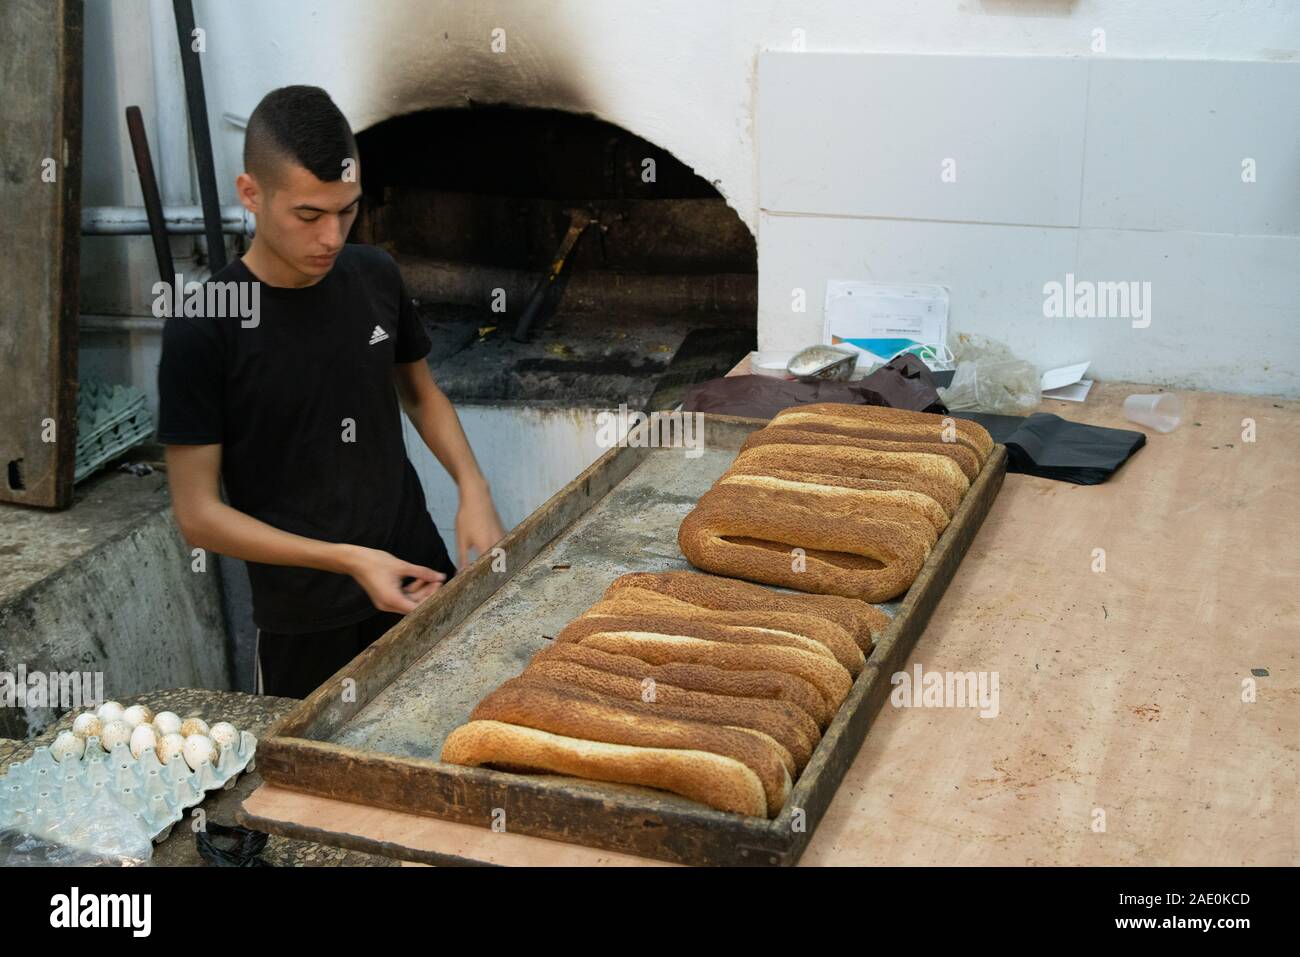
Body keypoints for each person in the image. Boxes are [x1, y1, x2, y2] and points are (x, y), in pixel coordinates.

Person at [156, 85, 504, 698]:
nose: (332, 237)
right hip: (306, 621)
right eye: (309, 215)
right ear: (251, 195)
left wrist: (472, 487)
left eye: (347, 210)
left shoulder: (375, 275)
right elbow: (199, 515)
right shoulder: (204, 324)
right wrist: (348, 559)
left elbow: (421, 396)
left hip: (417, 575)